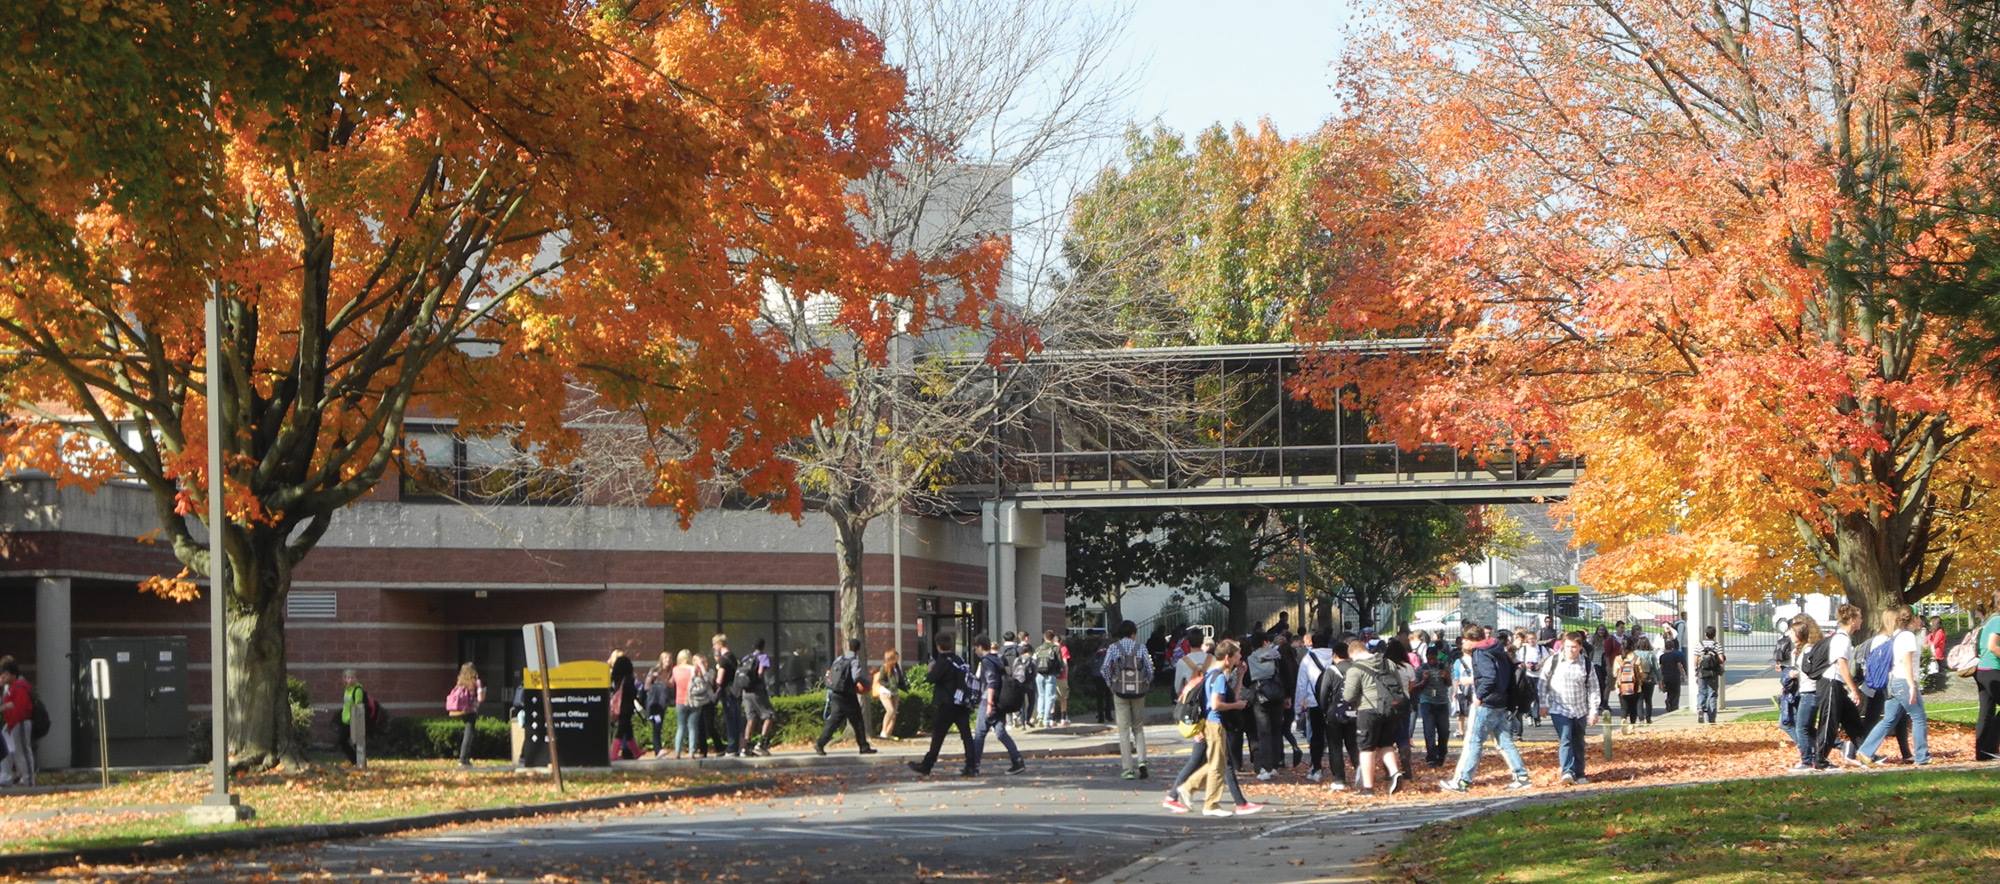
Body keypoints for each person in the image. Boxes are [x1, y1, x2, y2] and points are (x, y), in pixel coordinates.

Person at [1165, 652, 1261, 815]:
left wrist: (1240, 676)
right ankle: (1210, 802)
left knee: (1218, 763)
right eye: (1237, 655)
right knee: (1217, 764)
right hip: (1212, 724)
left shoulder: (1217, 673)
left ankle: (1184, 791)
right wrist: (1236, 706)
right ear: (1227, 658)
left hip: (1211, 724)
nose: (1239, 659)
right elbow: (1215, 704)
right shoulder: (1218, 675)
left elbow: (1230, 697)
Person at [1441, 626, 1532, 792]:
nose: (1463, 643)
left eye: (1465, 640)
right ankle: (1522, 776)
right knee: (1504, 741)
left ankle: (1462, 781)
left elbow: (1489, 677)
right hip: (1501, 702)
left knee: (1474, 741)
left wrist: (1479, 696)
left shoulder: (1481, 653)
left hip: (1487, 703)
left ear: (1472, 640)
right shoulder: (1498, 650)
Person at [1855, 605, 1929, 767]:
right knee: (1919, 718)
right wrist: (1911, 686)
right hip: (1904, 681)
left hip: (1893, 682)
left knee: (1889, 719)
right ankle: (1922, 756)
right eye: (1918, 618)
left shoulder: (1896, 635)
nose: (1920, 621)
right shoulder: (1908, 636)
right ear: (1913, 618)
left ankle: (1865, 750)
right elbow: (1906, 662)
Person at [1343, 637, 1410, 795]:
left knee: (1366, 749)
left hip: (1368, 711)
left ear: (1352, 653)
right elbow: (1399, 685)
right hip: (1390, 710)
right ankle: (1394, 772)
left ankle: (1368, 788)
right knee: (1386, 744)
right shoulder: (1388, 663)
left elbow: (1348, 696)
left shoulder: (1355, 669)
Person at [909, 632, 978, 777]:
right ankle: (971, 765)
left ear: (938, 646)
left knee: (938, 736)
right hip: (961, 702)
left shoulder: (942, 662)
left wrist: (930, 669)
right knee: (966, 735)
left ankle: (927, 765)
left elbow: (931, 679)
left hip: (946, 703)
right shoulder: (959, 659)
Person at [1539, 631, 1600, 785]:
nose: (1570, 650)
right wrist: (1543, 703)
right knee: (1565, 738)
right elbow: (1542, 683)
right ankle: (1567, 771)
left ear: (1580, 647)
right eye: (1567, 646)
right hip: (1559, 708)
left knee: (1578, 741)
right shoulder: (1553, 661)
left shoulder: (1586, 664)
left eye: (1574, 647)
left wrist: (1594, 710)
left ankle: (1579, 773)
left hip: (1579, 709)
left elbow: (1593, 687)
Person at [1813, 605, 1869, 769]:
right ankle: (1820, 759)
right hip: (1830, 683)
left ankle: (1866, 752)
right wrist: (1853, 689)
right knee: (1830, 721)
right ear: (1852, 621)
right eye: (1859, 618)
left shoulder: (1844, 638)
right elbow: (1842, 665)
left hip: (1837, 685)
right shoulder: (1841, 639)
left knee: (1852, 720)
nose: (1861, 621)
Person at [1101, 619, 1154, 780]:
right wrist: (1145, 683)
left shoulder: (1113, 648)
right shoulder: (1141, 647)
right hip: (1138, 692)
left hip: (1120, 692)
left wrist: (1111, 684)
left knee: (1123, 730)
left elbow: (1104, 668)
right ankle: (1142, 761)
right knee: (1138, 727)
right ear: (1133, 633)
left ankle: (1128, 768)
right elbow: (1150, 668)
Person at [968, 634, 1026, 776]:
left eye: (976, 647)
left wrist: (988, 704)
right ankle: (1017, 760)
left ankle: (974, 766)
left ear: (980, 647)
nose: (975, 650)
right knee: (1000, 732)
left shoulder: (986, 661)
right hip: (1000, 702)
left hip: (989, 700)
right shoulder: (997, 660)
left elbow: (991, 683)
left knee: (980, 734)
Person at [815, 638, 877, 756]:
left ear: (848, 647)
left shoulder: (839, 658)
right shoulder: (854, 661)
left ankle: (820, 743)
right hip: (847, 695)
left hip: (835, 693)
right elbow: (856, 677)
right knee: (858, 720)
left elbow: (831, 674)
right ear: (858, 649)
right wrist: (867, 683)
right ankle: (863, 746)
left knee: (834, 721)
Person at [1294, 630, 1336, 783]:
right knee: (1334, 737)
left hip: (1315, 702)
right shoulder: (1335, 656)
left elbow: (1301, 684)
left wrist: (1298, 708)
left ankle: (1316, 768)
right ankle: (1338, 771)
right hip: (1333, 703)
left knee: (1316, 737)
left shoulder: (1308, 659)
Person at [1246, 632, 1287, 781]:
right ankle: (1276, 764)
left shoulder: (1250, 658)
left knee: (1263, 732)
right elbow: (1285, 674)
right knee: (1277, 730)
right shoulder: (1276, 655)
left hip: (1260, 696)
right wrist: (1287, 695)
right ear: (1265, 642)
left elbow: (1247, 679)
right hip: (1277, 694)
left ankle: (1265, 766)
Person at [0, 658, 35, 786]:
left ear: (12, 674)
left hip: (20, 722)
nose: (3, 677)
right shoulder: (10, 688)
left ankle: (28, 779)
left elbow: (19, 707)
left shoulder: (20, 687)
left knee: (22, 752)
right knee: (10, 751)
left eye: (5, 674)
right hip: (12, 724)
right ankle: (9, 776)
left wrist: (7, 708)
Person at [1417, 644, 1453, 767]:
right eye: (1430, 658)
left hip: (1442, 702)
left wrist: (1446, 677)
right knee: (1429, 730)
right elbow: (1415, 687)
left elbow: (1449, 683)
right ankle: (1431, 756)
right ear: (1426, 657)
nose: (1432, 661)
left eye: (1434, 658)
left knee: (1444, 731)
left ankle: (1442, 753)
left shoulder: (1443, 667)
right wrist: (1424, 680)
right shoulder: (1421, 668)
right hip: (1427, 702)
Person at [739, 639, 776, 756]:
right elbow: (760, 673)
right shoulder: (763, 657)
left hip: (746, 692)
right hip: (757, 691)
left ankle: (745, 748)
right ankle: (761, 744)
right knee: (769, 715)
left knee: (751, 718)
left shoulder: (746, 658)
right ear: (763, 647)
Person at [446, 662, 487, 767]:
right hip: (471, 711)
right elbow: (480, 699)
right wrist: (483, 691)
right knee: (469, 734)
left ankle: (464, 758)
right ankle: (463, 759)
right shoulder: (476, 682)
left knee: (467, 733)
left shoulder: (460, 682)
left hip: (461, 711)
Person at [1975, 605, 2000, 761]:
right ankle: (1990, 746)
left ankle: (1982, 752)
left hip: (1983, 670)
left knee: (1986, 712)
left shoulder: (1990, 620)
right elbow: (1992, 646)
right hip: (1992, 670)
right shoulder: (1998, 620)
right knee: (1986, 712)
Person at [710, 634, 741, 757]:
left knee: (730, 720)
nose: (713, 647)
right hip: (735, 690)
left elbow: (719, 679)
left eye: (714, 645)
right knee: (736, 718)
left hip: (727, 692)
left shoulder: (723, 659)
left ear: (719, 644)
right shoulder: (732, 657)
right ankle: (737, 746)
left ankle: (732, 747)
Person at [609, 651, 641, 760]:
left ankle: (636, 752)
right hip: (626, 709)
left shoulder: (617, 679)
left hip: (619, 708)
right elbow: (632, 693)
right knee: (620, 732)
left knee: (628, 732)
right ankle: (613, 754)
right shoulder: (629, 680)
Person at [670, 650, 702, 759]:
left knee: (681, 726)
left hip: (680, 700)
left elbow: (671, 683)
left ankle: (677, 752)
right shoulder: (694, 669)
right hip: (694, 700)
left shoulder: (675, 670)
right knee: (693, 727)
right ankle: (692, 752)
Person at [1693, 627, 1726, 724]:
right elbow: (1721, 659)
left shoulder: (1700, 645)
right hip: (1713, 673)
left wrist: (1696, 670)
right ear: (1714, 635)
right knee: (1712, 694)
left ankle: (1700, 708)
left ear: (1705, 634)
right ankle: (1711, 717)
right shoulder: (1717, 645)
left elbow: (1695, 660)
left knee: (1702, 692)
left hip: (1702, 672)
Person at [1033, 629, 1065, 728]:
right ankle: (1046, 719)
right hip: (1051, 674)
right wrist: (1060, 671)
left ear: (1044, 637)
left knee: (1041, 695)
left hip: (1039, 675)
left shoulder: (1038, 648)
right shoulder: (1055, 648)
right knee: (1050, 697)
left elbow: (1034, 662)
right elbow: (1060, 662)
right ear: (1052, 638)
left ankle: (1040, 716)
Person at [875, 646, 907, 740]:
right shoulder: (884, 667)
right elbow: (881, 680)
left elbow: (899, 680)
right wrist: (889, 686)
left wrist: (904, 687)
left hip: (895, 692)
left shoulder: (896, 668)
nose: (897, 660)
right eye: (895, 658)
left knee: (894, 714)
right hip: (885, 692)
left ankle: (888, 733)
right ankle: (883, 731)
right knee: (890, 710)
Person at [643, 655, 672, 758]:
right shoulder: (654, 670)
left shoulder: (671, 672)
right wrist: (654, 678)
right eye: (665, 658)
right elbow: (646, 686)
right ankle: (657, 749)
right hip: (655, 703)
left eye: (669, 658)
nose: (667, 660)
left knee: (659, 725)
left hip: (663, 703)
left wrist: (664, 681)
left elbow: (671, 685)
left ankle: (658, 749)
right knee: (656, 725)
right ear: (661, 660)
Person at [1612, 642, 1643, 734]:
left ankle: (1623, 720)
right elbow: (1641, 673)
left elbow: (1614, 673)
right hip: (1635, 687)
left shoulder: (1618, 659)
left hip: (1621, 687)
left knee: (1624, 707)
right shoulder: (1637, 658)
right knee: (1633, 707)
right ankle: (1632, 725)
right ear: (1632, 648)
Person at [338, 668, 368, 767]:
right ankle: (355, 761)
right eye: (347, 678)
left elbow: (358, 706)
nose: (350, 680)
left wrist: (354, 720)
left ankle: (361, 763)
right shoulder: (347, 690)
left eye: (352, 677)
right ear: (344, 679)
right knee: (342, 741)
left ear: (356, 678)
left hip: (354, 720)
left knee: (357, 743)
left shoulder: (357, 690)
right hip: (345, 720)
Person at [1772, 620, 1797, 729]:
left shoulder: (1782, 638)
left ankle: (1787, 717)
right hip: (1793, 669)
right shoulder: (1796, 639)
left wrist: (1778, 663)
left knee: (1788, 691)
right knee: (1791, 693)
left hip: (1786, 667)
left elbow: (1778, 654)